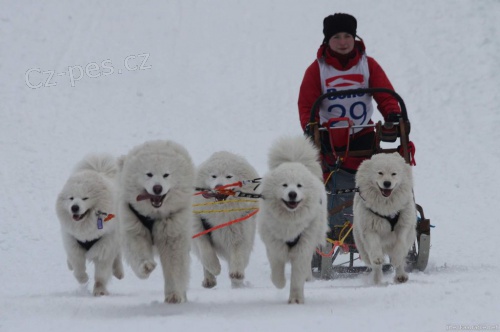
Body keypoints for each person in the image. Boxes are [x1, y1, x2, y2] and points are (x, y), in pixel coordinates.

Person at [298, 13, 402, 233]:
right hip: (329, 139)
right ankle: (333, 224)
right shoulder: (317, 69)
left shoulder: (368, 65)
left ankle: (381, 220)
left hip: (362, 134)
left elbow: (386, 95)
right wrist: (310, 125)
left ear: (355, 38)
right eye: (337, 37)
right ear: (327, 40)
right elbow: (307, 105)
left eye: (348, 36)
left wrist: (393, 114)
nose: (343, 42)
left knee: (374, 177)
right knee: (330, 181)